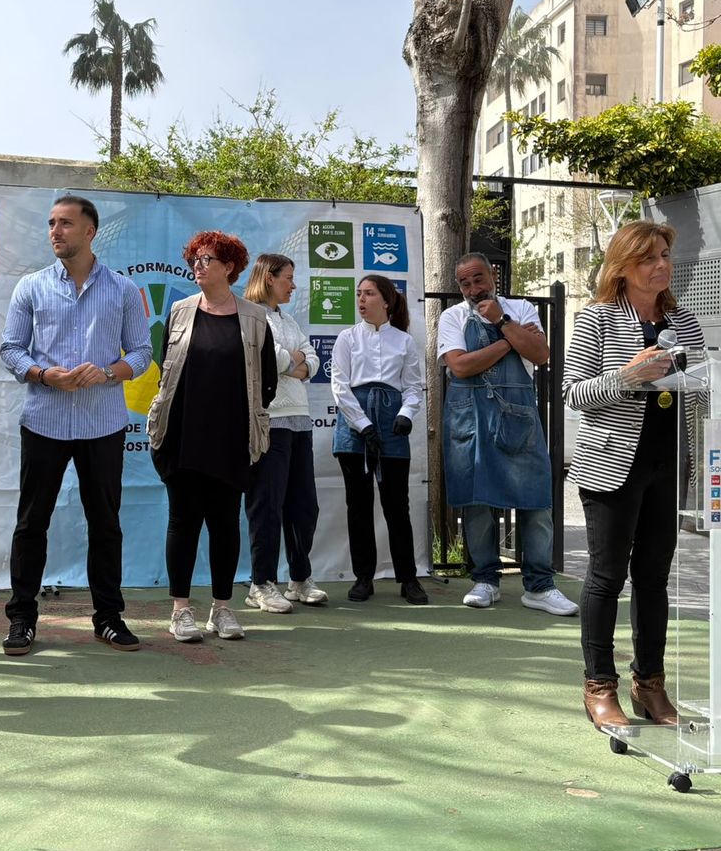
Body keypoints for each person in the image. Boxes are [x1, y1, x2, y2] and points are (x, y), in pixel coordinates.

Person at [562, 219, 705, 731]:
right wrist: (628, 376)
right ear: (623, 266)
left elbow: (703, 387)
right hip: (611, 465)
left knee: (653, 579)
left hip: (668, 465)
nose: (662, 265)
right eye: (650, 257)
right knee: (606, 577)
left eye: (666, 255)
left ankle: (650, 685)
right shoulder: (596, 320)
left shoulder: (685, 321)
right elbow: (574, 393)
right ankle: (599, 687)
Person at [0, 195, 152, 655]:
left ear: (90, 231)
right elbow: (10, 349)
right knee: (31, 524)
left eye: (65, 223)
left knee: (105, 523)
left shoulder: (123, 290)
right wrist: (45, 375)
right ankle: (22, 617)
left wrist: (107, 372)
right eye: (50, 223)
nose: (55, 231)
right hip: (43, 421)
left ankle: (108, 617)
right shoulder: (30, 286)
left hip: (103, 423)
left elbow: (142, 354)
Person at [148, 232, 278, 642]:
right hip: (182, 436)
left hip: (231, 439)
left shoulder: (254, 317)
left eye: (207, 259)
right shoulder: (181, 311)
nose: (198, 266)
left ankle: (222, 609)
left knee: (225, 524)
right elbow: (166, 372)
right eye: (195, 259)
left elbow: (267, 381)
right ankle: (180, 610)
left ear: (230, 268)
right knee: (182, 522)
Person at [438, 253, 578, 618]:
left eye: (478, 279)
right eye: (465, 283)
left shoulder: (522, 309)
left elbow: (541, 353)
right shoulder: (452, 317)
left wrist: (501, 320)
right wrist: (509, 341)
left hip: (517, 416)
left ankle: (540, 586)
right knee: (476, 502)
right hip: (470, 418)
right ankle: (485, 580)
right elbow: (460, 366)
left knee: (536, 501)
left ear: (493, 275)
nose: (473, 288)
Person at [330, 274, 427, 605]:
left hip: (392, 422)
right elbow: (340, 386)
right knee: (358, 505)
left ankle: (408, 578)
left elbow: (414, 386)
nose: (361, 299)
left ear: (386, 301)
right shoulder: (346, 338)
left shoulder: (404, 341)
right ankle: (363, 577)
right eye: (359, 294)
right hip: (354, 423)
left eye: (369, 294)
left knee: (397, 503)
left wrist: (406, 415)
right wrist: (362, 425)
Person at [243, 253, 327, 611]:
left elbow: (314, 361)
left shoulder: (288, 319)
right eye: (287, 278)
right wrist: (292, 360)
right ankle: (260, 584)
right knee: (267, 506)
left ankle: (299, 579)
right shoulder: (248, 315)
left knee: (304, 505)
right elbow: (269, 360)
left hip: (300, 421)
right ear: (268, 278)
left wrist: (292, 360)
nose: (293, 285)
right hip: (268, 422)